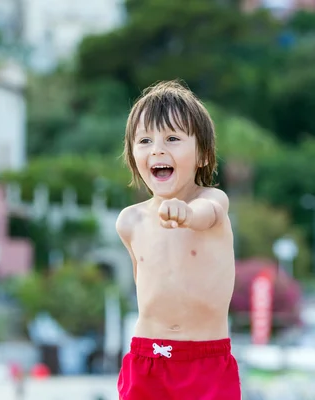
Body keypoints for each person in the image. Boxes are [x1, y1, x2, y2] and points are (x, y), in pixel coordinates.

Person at [116, 80, 240, 400]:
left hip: (206, 362)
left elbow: (206, 212)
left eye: (172, 138)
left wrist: (185, 213)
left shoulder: (212, 202)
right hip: (148, 359)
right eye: (145, 140)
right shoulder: (130, 222)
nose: (158, 148)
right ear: (132, 155)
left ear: (201, 155)